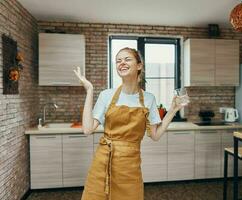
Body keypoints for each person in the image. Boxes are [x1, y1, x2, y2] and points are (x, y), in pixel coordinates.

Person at [74, 47, 189, 200]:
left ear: (139, 65)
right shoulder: (106, 95)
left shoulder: (149, 99)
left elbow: (155, 135)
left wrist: (173, 109)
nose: (121, 63)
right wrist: (89, 90)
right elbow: (87, 129)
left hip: (130, 165)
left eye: (127, 59)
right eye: (118, 61)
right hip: (103, 161)